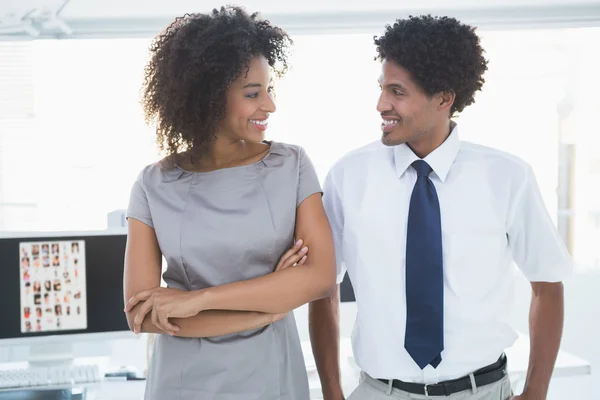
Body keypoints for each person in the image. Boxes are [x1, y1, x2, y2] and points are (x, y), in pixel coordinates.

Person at [311, 15, 573, 400]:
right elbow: (323, 288)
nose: (381, 103)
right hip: (378, 391)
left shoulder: (507, 177)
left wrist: (536, 391)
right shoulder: (348, 177)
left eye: (397, 92)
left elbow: (547, 285)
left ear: (444, 98)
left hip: (483, 390)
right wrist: (332, 391)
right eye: (382, 88)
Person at [122, 6, 336, 400]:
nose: (268, 105)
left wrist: (196, 300)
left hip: (272, 377)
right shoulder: (153, 184)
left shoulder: (292, 166)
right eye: (253, 94)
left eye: (269, 90)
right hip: (182, 384)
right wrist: (269, 306)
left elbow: (320, 278)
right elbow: (144, 316)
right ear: (207, 96)